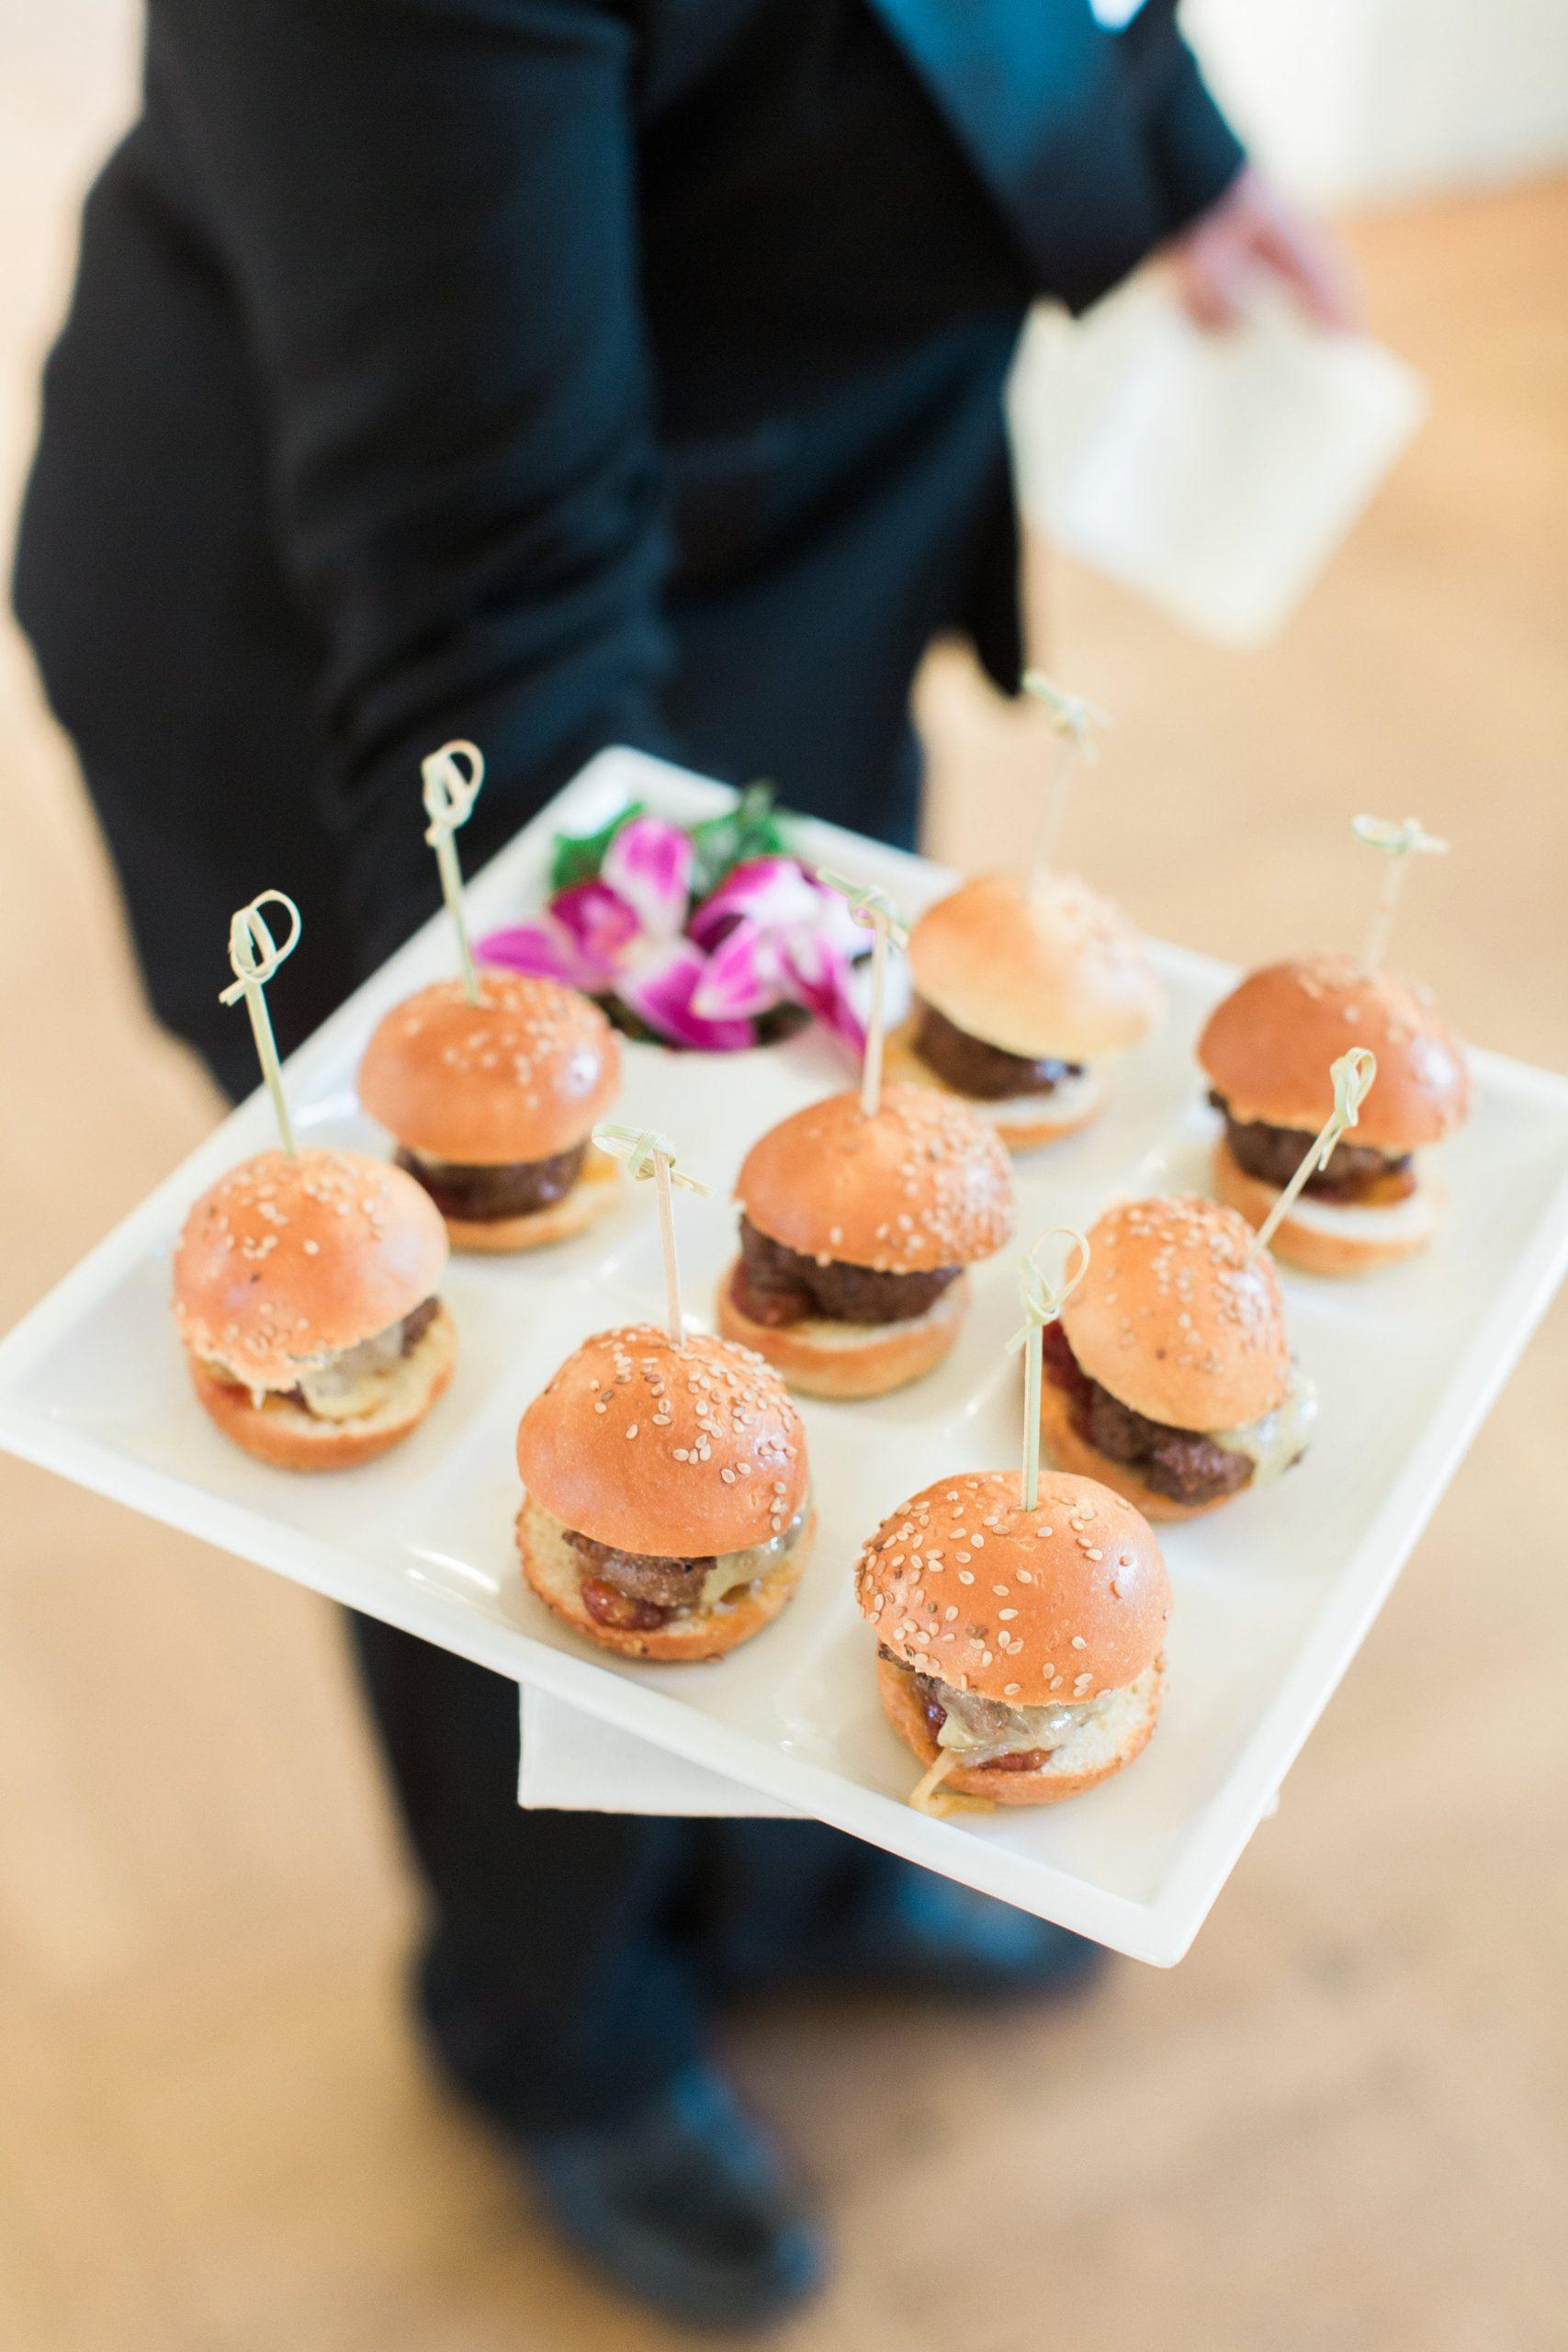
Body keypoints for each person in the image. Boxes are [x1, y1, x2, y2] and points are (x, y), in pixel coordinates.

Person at [13, 0, 1353, 2326]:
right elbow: (486, 594)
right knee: (562, 1374)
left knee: (798, 1282)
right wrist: (705, 987)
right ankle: (553, 2020)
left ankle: (789, 1862)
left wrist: (1159, 141)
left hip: (793, 582)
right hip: (393, 663)